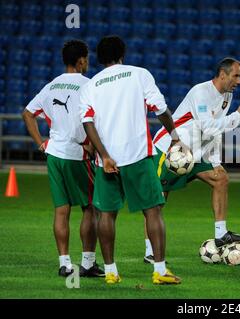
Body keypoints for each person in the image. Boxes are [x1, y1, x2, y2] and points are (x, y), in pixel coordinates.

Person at [79, 35, 181, 285]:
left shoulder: (91, 85)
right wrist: (175, 137)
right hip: (137, 155)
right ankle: (159, 270)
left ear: (100, 59)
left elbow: (87, 122)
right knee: (153, 211)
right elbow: (160, 109)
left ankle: (111, 272)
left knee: (106, 215)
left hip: (107, 160)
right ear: (122, 54)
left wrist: (104, 155)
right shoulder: (139, 74)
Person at [143, 58, 240, 263]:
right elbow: (209, 127)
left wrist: (216, 161)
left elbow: (214, 133)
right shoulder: (200, 92)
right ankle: (150, 251)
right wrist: (238, 115)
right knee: (158, 201)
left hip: (197, 153)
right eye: (236, 76)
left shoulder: (227, 96)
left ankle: (221, 235)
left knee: (221, 178)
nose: (239, 81)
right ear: (222, 74)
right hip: (172, 150)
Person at [22, 39, 103, 278]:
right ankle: (87, 263)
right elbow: (95, 119)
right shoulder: (90, 85)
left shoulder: (51, 86)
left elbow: (27, 114)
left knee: (61, 210)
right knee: (90, 208)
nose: (87, 63)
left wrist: (41, 143)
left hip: (54, 154)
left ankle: (65, 264)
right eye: (86, 59)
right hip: (77, 155)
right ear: (81, 61)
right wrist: (91, 144)